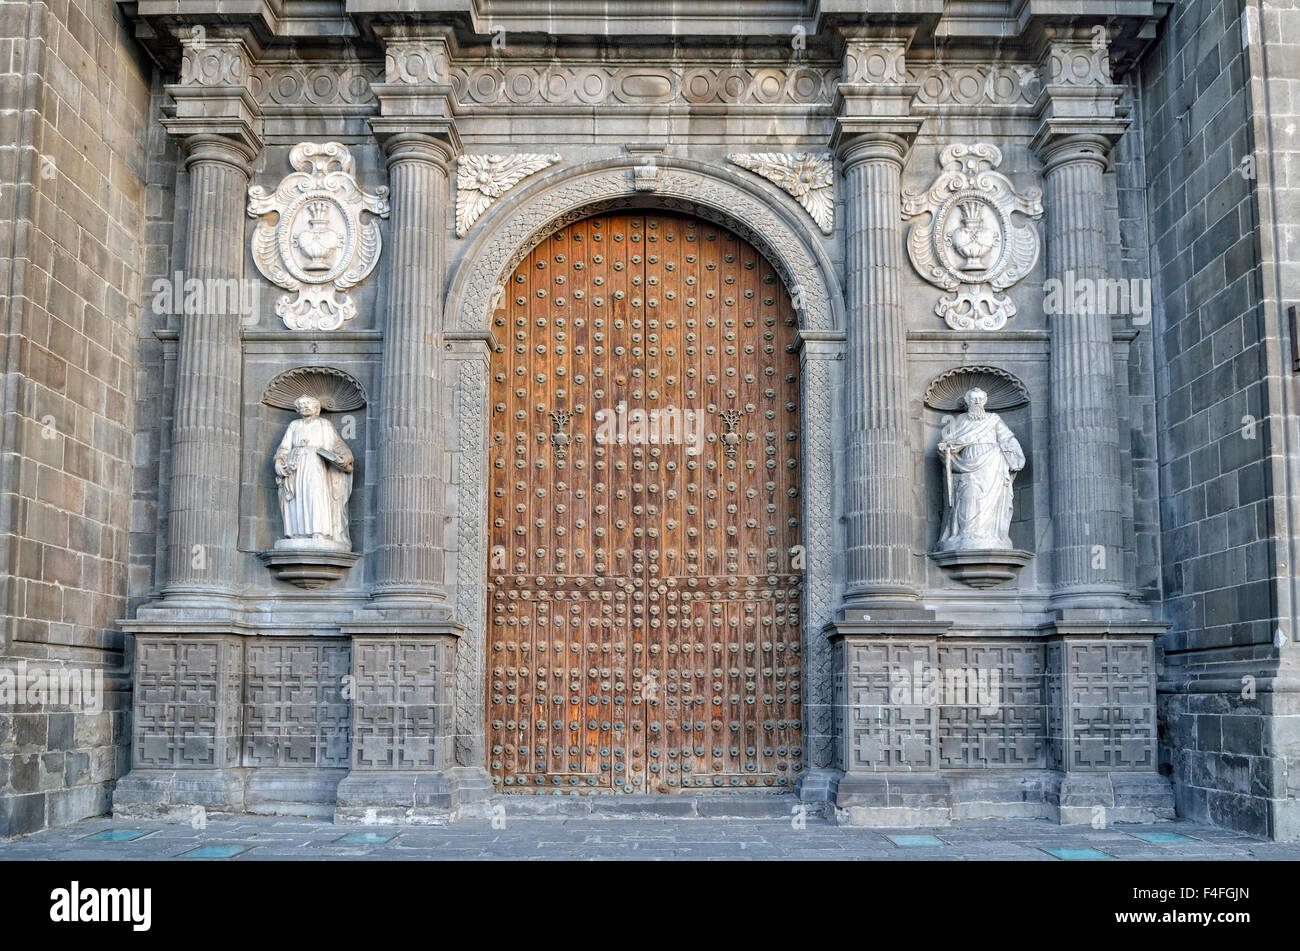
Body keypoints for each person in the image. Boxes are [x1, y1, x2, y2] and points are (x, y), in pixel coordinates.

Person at [936, 387, 1024, 551]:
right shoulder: (960, 420)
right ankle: (965, 534)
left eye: (979, 399)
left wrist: (1016, 457)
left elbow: (1008, 440)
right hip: (966, 464)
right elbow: (951, 442)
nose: (976, 402)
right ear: (967, 402)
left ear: (984, 401)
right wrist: (945, 449)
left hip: (992, 464)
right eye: (973, 399)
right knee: (968, 496)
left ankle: (988, 535)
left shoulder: (993, 419)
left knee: (990, 501)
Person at [273, 395, 354, 550]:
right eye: (301, 405)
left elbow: (337, 444)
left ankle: (319, 532)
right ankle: (296, 533)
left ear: (316, 407)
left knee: (315, 495)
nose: (304, 407)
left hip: (316, 463)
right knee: (296, 497)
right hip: (295, 465)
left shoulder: (324, 424)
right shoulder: (294, 425)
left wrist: (346, 456)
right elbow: (283, 448)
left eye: (308, 404)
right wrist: (279, 463)